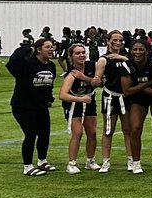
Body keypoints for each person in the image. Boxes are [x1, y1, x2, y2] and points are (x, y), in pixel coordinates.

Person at [8, 36, 57, 175]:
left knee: (44, 134)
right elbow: (12, 63)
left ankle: (42, 161)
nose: (51, 49)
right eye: (47, 47)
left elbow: (48, 85)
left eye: (52, 47)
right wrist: (25, 48)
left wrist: (49, 99)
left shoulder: (51, 65)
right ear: (38, 50)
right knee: (30, 134)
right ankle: (27, 166)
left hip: (41, 106)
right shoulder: (27, 63)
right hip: (23, 106)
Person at [121, 38, 152, 173]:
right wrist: (147, 83)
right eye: (135, 49)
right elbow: (127, 91)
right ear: (130, 51)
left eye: (141, 49)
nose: (138, 52)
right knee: (135, 129)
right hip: (138, 99)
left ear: (147, 50)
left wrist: (136, 85)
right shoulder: (127, 65)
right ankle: (136, 163)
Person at [93, 30, 132, 173]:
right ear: (108, 41)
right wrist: (97, 80)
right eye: (114, 40)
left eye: (120, 40)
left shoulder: (128, 56)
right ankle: (105, 161)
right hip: (110, 97)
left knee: (128, 130)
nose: (118, 43)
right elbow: (98, 80)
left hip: (126, 97)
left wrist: (120, 57)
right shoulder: (104, 59)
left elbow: (136, 65)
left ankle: (131, 160)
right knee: (108, 130)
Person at [59, 43, 99, 173]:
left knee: (92, 132)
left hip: (89, 101)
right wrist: (81, 99)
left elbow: (99, 82)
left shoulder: (92, 66)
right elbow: (63, 95)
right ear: (71, 56)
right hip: (74, 103)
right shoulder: (71, 74)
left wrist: (84, 78)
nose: (81, 55)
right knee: (77, 133)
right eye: (77, 53)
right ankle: (71, 163)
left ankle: (90, 160)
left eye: (83, 52)